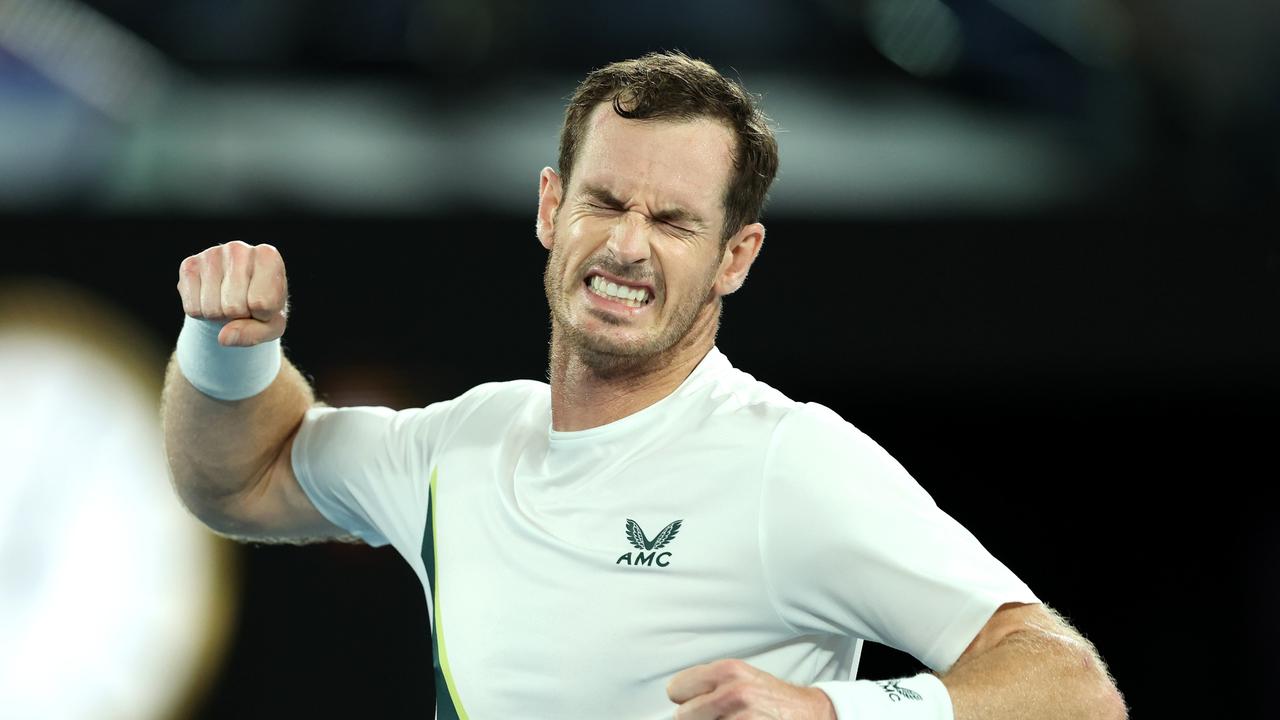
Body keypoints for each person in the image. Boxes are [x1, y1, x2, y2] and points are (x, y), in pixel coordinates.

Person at [163, 52, 1126, 720]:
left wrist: (836, 706)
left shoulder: (790, 462)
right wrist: (229, 352)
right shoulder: (457, 446)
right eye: (606, 202)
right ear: (552, 206)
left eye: (672, 221)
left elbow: (1070, 689)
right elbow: (240, 478)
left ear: (735, 256)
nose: (626, 245)